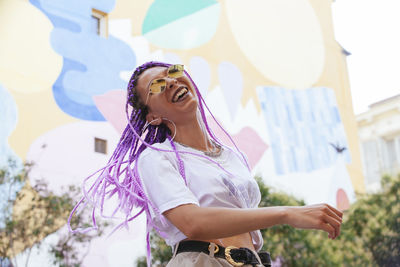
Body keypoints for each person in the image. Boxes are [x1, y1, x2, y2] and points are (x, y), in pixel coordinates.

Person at [69, 61, 343, 267]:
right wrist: (286, 213)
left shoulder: (232, 156)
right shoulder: (156, 158)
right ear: (153, 117)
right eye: (157, 86)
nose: (172, 83)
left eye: (173, 73)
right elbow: (192, 223)